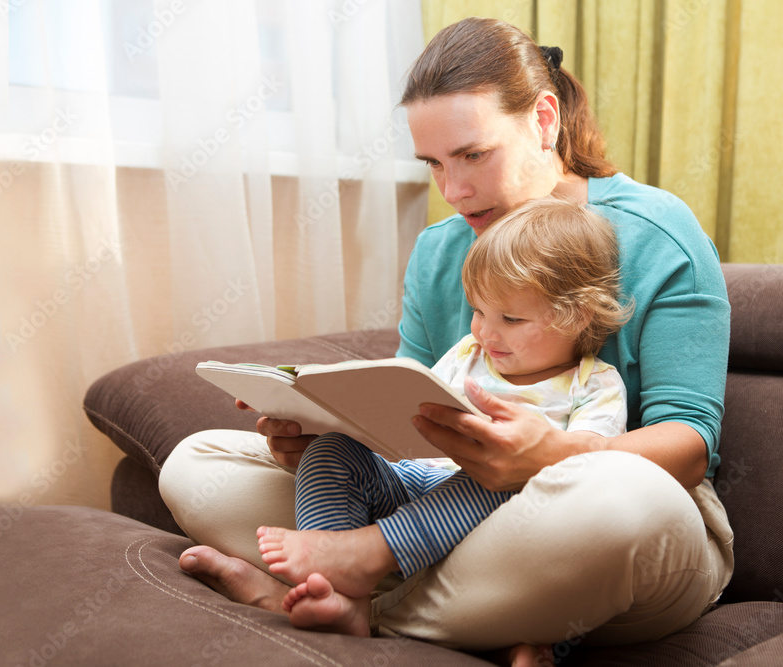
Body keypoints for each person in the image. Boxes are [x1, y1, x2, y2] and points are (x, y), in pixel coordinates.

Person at [159, 16, 733, 665]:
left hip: (606, 519)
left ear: (545, 120)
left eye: (472, 155)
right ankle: (386, 584)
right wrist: (326, 434)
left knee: (619, 504)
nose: (453, 191)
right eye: (433, 163)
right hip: (447, 507)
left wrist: (547, 456)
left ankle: (355, 595)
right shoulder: (440, 250)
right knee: (196, 462)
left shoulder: (659, 234)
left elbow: (688, 450)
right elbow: (411, 423)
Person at [256, 198, 634, 636]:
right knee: (330, 451)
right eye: (478, 310)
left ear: (577, 315)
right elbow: (408, 417)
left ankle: (371, 554)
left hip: (504, 515)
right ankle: (341, 594)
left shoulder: (594, 385)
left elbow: (585, 476)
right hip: (416, 484)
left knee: (500, 470)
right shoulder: (467, 355)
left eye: (510, 318)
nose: (485, 332)